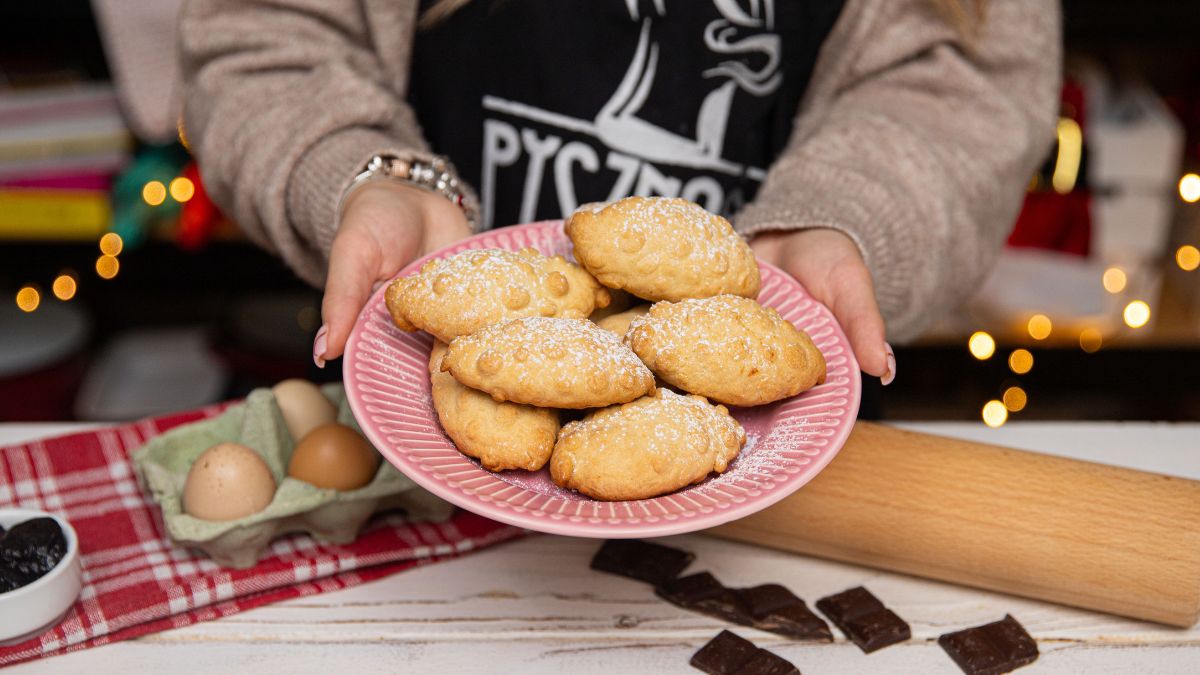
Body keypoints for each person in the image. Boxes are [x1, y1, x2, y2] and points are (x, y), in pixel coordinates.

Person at [179, 0, 1060, 386]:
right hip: (414, 428)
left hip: (774, 451)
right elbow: (265, 33)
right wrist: (366, 170)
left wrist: (846, 211)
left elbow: (965, 81)